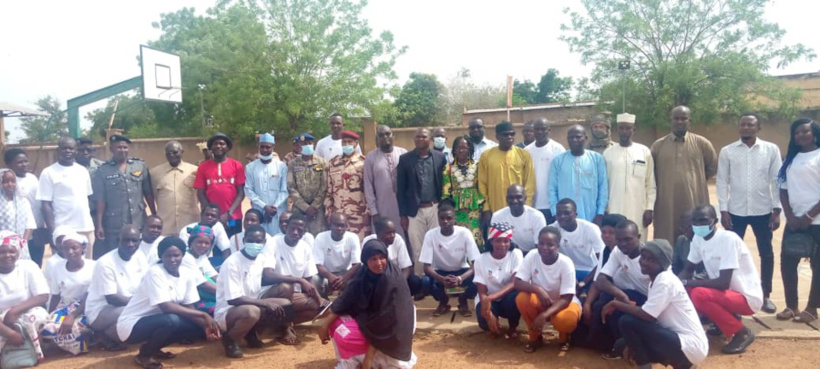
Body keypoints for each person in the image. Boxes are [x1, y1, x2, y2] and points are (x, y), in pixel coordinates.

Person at [116, 236, 220, 369]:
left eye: (176, 255)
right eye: (167, 256)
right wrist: (203, 316)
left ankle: (151, 348)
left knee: (194, 327)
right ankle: (144, 356)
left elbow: (189, 306)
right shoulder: (155, 273)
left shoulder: (186, 274)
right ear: (161, 256)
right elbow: (165, 306)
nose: (172, 259)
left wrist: (205, 327)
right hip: (132, 325)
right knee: (172, 320)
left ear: (183, 255)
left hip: (157, 321)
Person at [605, 240, 708, 369]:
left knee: (627, 321)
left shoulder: (665, 280)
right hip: (678, 340)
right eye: (643, 257)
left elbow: (648, 315)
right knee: (622, 344)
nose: (644, 262)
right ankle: (682, 364)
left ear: (662, 264)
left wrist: (617, 304)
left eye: (651, 260)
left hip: (690, 345)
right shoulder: (655, 280)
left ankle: (677, 363)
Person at [716, 113, 782, 314]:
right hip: (735, 211)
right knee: (732, 256)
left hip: (763, 210)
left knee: (766, 253)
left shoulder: (770, 150)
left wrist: (776, 209)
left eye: (750, 125)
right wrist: (723, 209)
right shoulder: (727, 151)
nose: (746, 128)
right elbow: (721, 181)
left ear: (758, 128)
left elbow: (777, 180)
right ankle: (736, 297)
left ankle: (765, 295)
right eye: (743, 124)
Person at [317, 239, 417, 368]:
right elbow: (346, 298)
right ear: (365, 261)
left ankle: (374, 360)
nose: (379, 263)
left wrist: (369, 358)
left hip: (393, 326)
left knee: (345, 335)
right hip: (370, 317)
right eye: (373, 259)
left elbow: (387, 321)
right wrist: (324, 325)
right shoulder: (364, 274)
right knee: (335, 323)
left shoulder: (391, 280)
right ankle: (349, 361)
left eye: (382, 258)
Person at [679, 205, 762, 354]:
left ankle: (741, 333)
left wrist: (689, 282)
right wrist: (676, 285)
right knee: (685, 289)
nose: (698, 225)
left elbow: (723, 282)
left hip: (746, 297)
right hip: (727, 294)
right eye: (695, 221)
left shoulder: (728, 239)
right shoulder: (698, 239)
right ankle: (721, 323)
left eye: (703, 221)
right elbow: (688, 269)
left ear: (715, 221)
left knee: (698, 294)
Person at [216, 225, 294, 358]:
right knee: (253, 311)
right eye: (250, 240)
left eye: (258, 241)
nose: (254, 244)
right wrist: (265, 303)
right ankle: (229, 339)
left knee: (285, 303)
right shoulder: (232, 263)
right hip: (229, 310)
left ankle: (251, 331)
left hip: (251, 302)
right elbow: (233, 299)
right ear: (244, 241)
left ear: (264, 242)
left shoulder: (260, 259)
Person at [651, 106, 718, 242]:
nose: (680, 122)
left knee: (695, 237)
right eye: (676, 118)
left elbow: (712, 167)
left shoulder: (702, 143)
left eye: (684, 119)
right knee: (666, 236)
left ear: (690, 121)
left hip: (694, 199)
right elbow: (651, 173)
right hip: (666, 202)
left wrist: (694, 181)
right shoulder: (658, 145)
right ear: (670, 120)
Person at [777, 118, 820, 323]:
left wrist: (809, 216)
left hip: (817, 222)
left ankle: (812, 308)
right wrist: (791, 216)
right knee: (787, 263)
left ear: (814, 133)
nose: (800, 135)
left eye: (805, 132)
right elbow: (783, 189)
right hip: (794, 222)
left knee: (818, 267)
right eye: (797, 133)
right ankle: (791, 306)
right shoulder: (791, 159)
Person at [514, 226, 582, 353]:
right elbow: (517, 282)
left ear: (558, 246)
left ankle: (564, 337)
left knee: (565, 320)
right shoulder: (532, 255)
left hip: (563, 303)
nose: (544, 247)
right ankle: (535, 337)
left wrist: (544, 315)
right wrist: (538, 289)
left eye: (550, 244)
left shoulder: (566, 263)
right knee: (522, 298)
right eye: (541, 243)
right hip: (542, 300)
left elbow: (567, 298)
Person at [589, 220, 651, 358]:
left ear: (639, 237)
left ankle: (632, 347)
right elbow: (601, 279)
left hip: (653, 302)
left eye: (628, 239)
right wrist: (621, 295)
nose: (623, 244)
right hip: (631, 295)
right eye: (619, 240)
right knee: (607, 301)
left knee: (616, 305)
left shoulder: (650, 257)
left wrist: (622, 297)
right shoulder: (618, 251)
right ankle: (618, 344)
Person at [92, 134, 156, 259]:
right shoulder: (102, 171)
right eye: (119, 148)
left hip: (138, 219)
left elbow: (148, 192)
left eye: (125, 147)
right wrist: (99, 224)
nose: (122, 150)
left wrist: (153, 213)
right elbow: (101, 200)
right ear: (112, 149)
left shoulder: (139, 165)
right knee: (115, 254)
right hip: (114, 223)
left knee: (140, 253)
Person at [85, 225, 148, 351]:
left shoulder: (140, 256)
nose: (130, 244)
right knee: (140, 313)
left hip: (125, 306)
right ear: (117, 241)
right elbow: (112, 299)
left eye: (134, 240)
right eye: (126, 240)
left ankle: (104, 335)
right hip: (101, 311)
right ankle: (106, 334)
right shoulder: (105, 263)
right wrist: (140, 304)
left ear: (140, 242)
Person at [260, 214, 328, 329]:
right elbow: (267, 275)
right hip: (272, 293)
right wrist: (298, 279)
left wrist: (319, 298)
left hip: (294, 295)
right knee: (287, 287)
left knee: (324, 308)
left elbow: (308, 279)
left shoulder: (305, 247)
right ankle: (285, 328)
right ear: (286, 227)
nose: (295, 232)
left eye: (300, 230)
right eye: (292, 228)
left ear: (304, 232)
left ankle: (278, 324)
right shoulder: (273, 243)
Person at [397, 127, 447, 275]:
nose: (420, 139)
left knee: (437, 245)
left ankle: (437, 280)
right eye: (417, 137)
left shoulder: (439, 157)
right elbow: (401, 189)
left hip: (435, 208)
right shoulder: (405, 159)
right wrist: (403, 215)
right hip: (414, 211)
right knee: (418, 247)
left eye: (424, 137)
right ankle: (421, 281)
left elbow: (445, 184)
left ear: (430, 139)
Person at [419, 202, 481, 317]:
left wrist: (460, 278)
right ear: (438, 219)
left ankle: (463, 301)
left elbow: (475, 264)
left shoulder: (464, 233)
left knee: (479, 278)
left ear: (454, 219)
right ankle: (443, 302)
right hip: (441, 273)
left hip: (461, 271)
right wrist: (442, 279)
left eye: (449, 218)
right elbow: (426, 267)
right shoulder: (430, 235)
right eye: (442, 218)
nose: (445, 221)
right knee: (425, 282)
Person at [37, 137, 96, 256]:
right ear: (58, 151)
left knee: (86, 267)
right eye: (64, 148)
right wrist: (53, 232)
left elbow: (87, 198)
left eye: (71, 148)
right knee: (63, 266)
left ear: (75, 151)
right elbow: (45, 205)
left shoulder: (83, 171)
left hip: (85, 227)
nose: (68, 151)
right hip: (63, 228)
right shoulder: (48, 172)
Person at [603, 113, 656, 241]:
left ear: (634, 129)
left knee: (637, 242)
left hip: (638, 209)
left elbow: (650, 184)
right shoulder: (608, 153)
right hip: (614, 207)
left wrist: (649, 208)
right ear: (616, 130)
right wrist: (605, 208)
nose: (624, 131)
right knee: (615, 243)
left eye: (628, 128)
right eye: (621, 128)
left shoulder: (644, 151)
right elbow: (603, 184)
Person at [0, 232, 50, 361]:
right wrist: (9, 333)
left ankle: (33, 351)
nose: (7, 255)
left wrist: (13, 312)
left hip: (26, 314)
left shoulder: (28, 266)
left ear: (18, 252)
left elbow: (43, 296)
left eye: (12, 251)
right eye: (2, 252)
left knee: (35, 317)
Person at [44, 232, 95, 355]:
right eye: (65, 248)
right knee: (48, 327)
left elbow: (91, 295)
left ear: (83, 248)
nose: (70, 252)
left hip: (88, 307)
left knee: (75, 327)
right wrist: (49, 316)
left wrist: (72, 316)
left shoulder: (93, 266)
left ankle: (89, 339)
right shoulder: (57, 268)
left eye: (74, 248)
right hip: (66, 307)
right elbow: (55, 295)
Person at [549, 124, 608, 224]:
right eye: (571, 137)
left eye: (578, 137)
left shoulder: (597, 159)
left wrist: (600, 213)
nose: (575, 140)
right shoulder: (558, 161)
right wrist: (555, 214)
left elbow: (603, 187)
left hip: (591, 215)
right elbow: (552, 189)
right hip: (564, 217)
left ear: (585, 138)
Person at [478, 121, 536, 224]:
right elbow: (482, 184)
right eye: (505, 134)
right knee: (499, 239)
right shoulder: (486, 156)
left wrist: (526, 206)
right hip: (495, 209)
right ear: (497, 136)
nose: (509, 137)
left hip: (519, 209)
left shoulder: (524, 155)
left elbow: (529, 184)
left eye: (512, 134)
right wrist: (486, 208)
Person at [474, 222, 523, 338]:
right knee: (484, 323)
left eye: (506, 241)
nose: (502, 244)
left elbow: (514, 283)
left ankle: (513, 326)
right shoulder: (480, 259)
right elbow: (482, 290)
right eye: (498, 241)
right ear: (491, 241)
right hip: (488, 298)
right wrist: (488, 313)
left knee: (517, 297)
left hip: (507, 298)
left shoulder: (516, 254)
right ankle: (494, 323)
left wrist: (491, 298)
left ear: (510, 242)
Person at [195, 133, 246, 238]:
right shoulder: (203, 167)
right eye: (215, 144)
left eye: (222, 144)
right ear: (211, 148)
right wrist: (211, 214)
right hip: (211, 219)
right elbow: (200, 193)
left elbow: (241, 193)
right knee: (213, 247)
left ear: (227, 147)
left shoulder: (237, 165)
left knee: (233, 244)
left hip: (233, 217)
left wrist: (228, 214)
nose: (218, 146)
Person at [4, 148, 47, 266]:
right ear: (9, 164)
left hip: (36, 231)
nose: (24, 165)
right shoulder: (7, 181)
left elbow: (39, 204)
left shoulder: (32, 178)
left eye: (26, 161)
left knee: (35, 264)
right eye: (19, 162)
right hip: (15, 235)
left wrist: (43, 225)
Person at [552, 198, 605, 294]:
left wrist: (583, 283)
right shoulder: (552, 229)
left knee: (591, 295)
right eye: (559, 214)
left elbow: (602, 260)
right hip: (564, 271)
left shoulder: (591, 229)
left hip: (588, 271)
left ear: (575, 214)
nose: (562, 217)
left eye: (567, 213)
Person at [325, 130, 370, 239]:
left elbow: (369, 190)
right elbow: (328, 191)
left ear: (356, 143)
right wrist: (328, 212)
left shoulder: (364, 162)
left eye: (350, 142)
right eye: (344, 142)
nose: (346, 144)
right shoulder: (333, 163)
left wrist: (368, 212)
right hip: (338, 216)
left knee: (359, 248)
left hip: (358, 215)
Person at [442, 135, 486, 248]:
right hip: (457, 211)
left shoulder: (478, 166)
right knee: (460, 241)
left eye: (464, 147)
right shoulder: (448, 168)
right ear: (454, 150)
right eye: (458, 147)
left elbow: (483, 187)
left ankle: (477, 264)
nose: (461, 150)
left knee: (476, 238)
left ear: (469, 149)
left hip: (475, 210)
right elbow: (446, 192)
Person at [364, 125, 407, 236]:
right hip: (381, 208)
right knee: (383, 237)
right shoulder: (371, 157)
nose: (385, 137)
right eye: (381, 135)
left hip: (402, 209)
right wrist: (374, 212)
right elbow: (368, 186)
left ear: (393, 135)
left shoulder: (403, 153)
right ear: (377, 139)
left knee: (404, 239)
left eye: (388, 134)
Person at [362, 216, 421, 296]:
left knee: (415, 281)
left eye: (394, 232)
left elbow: (406, 268)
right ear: (378, 233)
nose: (392, 235)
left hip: (395, 277)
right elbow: (364, 267)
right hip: (376, 277)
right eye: (388, 233)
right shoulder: (369, 241)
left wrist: (399, 283)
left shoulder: (398, 239)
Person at [151, 140, 200, 234]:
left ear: (182, 152)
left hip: (190, 223)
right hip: (165, 225)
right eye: (168, 153)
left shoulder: (195, 170)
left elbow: (199, 195)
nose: (171, 155)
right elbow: (154, 196)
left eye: (175, 152)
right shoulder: (154, 173)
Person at [245, 133, 289, 235]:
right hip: (259, 212)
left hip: (278, 212)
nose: (265, 150)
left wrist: (274, 208)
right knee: (259, 239)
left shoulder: (282, 167)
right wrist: (264, 207)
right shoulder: (251, 167)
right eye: (262, 147)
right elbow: (248, 190)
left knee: (278, 241)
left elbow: (285, 190)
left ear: (273, 147)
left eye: (268, 147)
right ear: (258, 147)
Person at [524, 118, 565, 223]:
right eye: (537, 129)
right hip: (532, 204)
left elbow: (562, 178)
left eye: (543, 129)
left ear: (549, 131)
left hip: (551, 205)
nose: (540, 132)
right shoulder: (527, 151)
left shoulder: (557, 149)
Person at [287, 132, 329, 236]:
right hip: (299, 208)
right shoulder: (292, 164)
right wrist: (306, 208)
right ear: (299, 146)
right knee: (298, 236)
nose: (307, 146)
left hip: (317, 210)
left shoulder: (322, 163)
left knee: (318, 236)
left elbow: (324, 187)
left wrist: (313, 207)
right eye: (304, 144)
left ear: (313, 144)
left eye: (309, 143)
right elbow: (291, 187)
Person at [312, 213, 362, 298]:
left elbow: (357, 264)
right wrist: (330, 277)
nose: (339, 228)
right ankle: (322, 304)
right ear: (330, 224)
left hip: (346, 274)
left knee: (361, 275)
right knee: (314, 279)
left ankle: (349, 303)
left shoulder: (353, 237)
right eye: (336, 225)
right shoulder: (320, 237)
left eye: (342, 225)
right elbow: (317, 264)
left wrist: (344, 278)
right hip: (326, 274)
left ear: (347, 226)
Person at [490, 184, 546, 254]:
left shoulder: (537, 216)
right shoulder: (497, 216)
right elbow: (495, 245)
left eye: (519, 197)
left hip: (532, 255)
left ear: (525, 198)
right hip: (508, 255)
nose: (515, 201)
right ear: (507, 199)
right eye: (511, 198)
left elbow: (540, 247)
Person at [183, 225, 219, 315]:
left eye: (207, 243)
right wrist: (225, 293)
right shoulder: (186, 258)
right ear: (191, 242)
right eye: (199, 242)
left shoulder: (202, 257)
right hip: (191, 299)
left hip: (206, 294)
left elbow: (214, 276)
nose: (203, 246)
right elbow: (203, 285)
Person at [0, 169, 36, 253]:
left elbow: (29, 226)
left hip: (20, 246)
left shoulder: (24, 201)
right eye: (5, 182)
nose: (10, 184)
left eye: (13, 181)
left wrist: (22, 243)